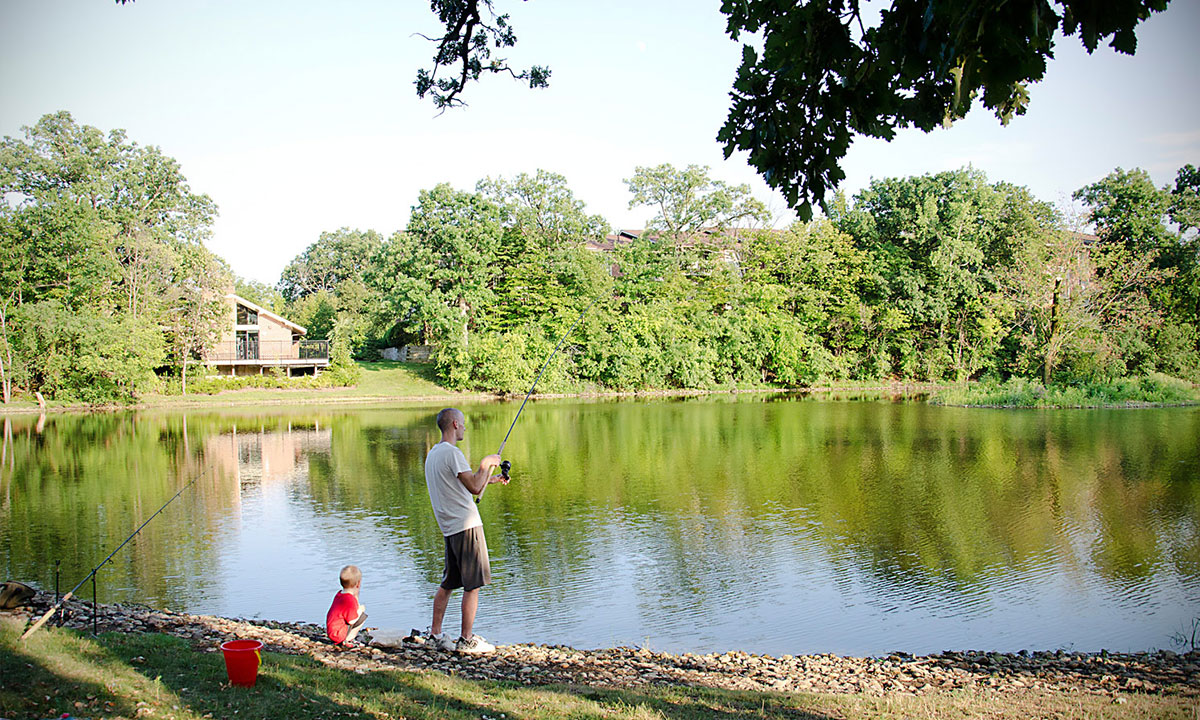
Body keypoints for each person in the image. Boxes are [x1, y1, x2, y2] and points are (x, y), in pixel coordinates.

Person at [424, 407, 506, 653]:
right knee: (473, 585)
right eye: (463, 423)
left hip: (450, 528)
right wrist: (485, 464)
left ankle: (435, 635)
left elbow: (463, 486)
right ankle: (466, 639)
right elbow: (472, 486)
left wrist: (490, 478)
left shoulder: (433, 455)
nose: (465, 428)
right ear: (455, 425)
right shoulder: (453, 453)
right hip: (467, 526)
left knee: (449, 582)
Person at [326, 564, 367, 646]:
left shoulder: (340, 594)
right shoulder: (349, 600)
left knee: (357, 614)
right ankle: (348, 640)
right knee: (362, 616)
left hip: (332, 632)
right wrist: (360, 610)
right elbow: (352, 621)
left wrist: (356, 596)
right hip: (338, 634)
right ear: (358, 584)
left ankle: (346, 638)